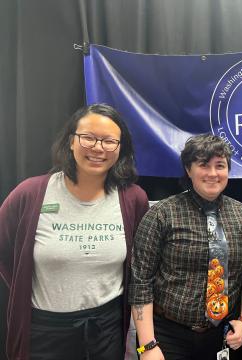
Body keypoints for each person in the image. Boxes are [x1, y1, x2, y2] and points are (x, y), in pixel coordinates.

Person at [0, 104, 149, 360]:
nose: (98, 148)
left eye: (109, 141)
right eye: (88, 137)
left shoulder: (133, 199)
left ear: (120, 148)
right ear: (71, 141)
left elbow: (141, 269)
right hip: (43, 332)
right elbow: (5, 251)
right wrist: (23, 286)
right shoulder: (30, 194)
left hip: (107, 331)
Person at [129, 133, 242, 360]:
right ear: (189, 170)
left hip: (222, 334)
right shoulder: (162, 214)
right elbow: (141, 280)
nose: (212, 173)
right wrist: (148, 345)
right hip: (168, 336)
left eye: (220, 165)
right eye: (203, 165)